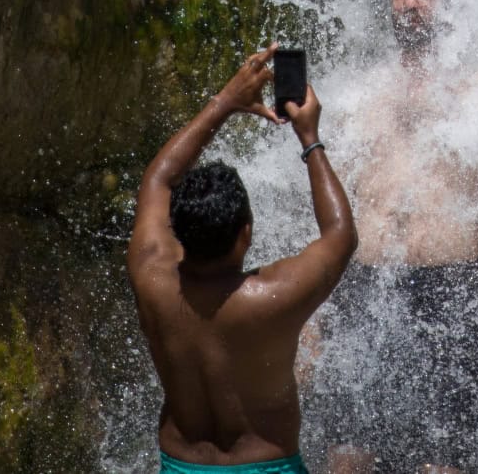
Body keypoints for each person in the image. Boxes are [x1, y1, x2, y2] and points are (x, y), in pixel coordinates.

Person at [312, 0, 478, 474]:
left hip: (453, 292)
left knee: (441, 464)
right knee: (346, 459)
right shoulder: (357, 95)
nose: (411, 3)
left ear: (451, 6)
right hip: (364, 286)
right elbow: (325, 212)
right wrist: (307, 317)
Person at [129, 45, 358, 474]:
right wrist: (310, 139)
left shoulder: (151, 278)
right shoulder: (271, 297)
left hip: (182, 465)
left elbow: (158, 179)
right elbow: (341, 235)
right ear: (246, 234)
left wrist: (226, 102)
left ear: (175, 231)